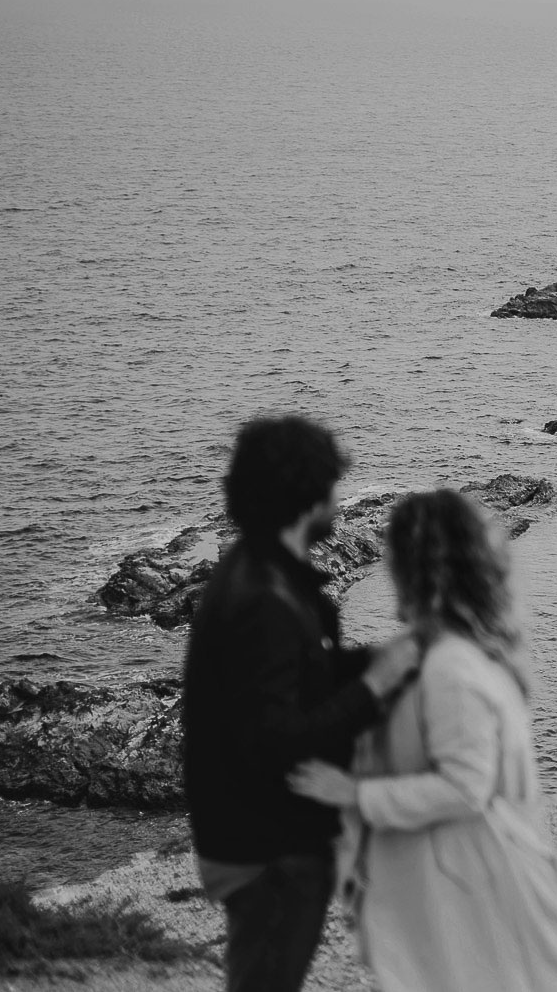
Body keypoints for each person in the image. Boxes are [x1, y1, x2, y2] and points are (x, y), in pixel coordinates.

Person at [288, 488, 557, 992]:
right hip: (480, 878)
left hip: (476, 890)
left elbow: (466, 787)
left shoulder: (450, 669)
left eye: (391, 559)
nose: (386, 572)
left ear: (416, 570)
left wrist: (353, 793)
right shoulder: (462, 654)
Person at [183, 415, 421, 992]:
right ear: (306, 495)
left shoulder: (263, 575)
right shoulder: (264, 600)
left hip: (256, 834)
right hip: (269, 849)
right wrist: (375, 687)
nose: (338, 503)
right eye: (332, 487)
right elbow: (277, 742)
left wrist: (378, 660)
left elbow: (299, 673)